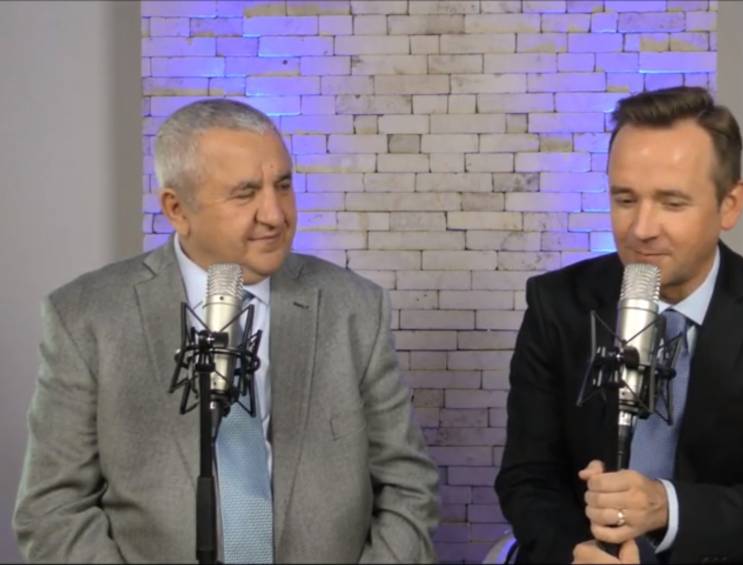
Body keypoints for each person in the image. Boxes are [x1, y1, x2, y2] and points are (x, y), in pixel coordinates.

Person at [14, 99, 440, 563]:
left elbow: (408, 486)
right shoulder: (87, 317)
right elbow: (53, 510)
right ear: (177, 209)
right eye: (245, 193)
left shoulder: (354, 308)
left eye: (283, 185)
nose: (274, 214)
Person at [495, 86, 743, 563]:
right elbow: (526, 478)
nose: (641, 229)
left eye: (672, 203)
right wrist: (578, 551)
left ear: (730, 204)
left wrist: (665, 507)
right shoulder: (557, 303)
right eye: (625, 199)